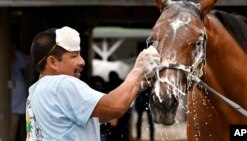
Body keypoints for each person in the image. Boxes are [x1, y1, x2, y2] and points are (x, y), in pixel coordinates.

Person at [25, 26, 160, 141]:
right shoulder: (62, 84)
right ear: (52, 62)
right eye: (74, 56)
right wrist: (138, 69)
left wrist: (137, 86)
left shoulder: (34, 92)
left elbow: (105, 114)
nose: (82, 61)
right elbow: (115, 107)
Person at [10, 44, 28, 141]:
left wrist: (14, 51)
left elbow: (24, 62)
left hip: (16, 108)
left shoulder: (16, 65)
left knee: (11, 134)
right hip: (6, 107)